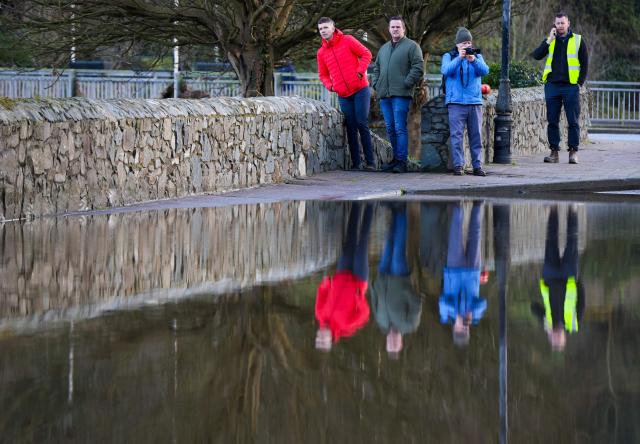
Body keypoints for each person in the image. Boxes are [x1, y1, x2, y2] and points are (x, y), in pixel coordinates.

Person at [317, 17, 375, 171]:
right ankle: (356, 163)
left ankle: (371, 163)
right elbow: (322, 75)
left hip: (361, 89)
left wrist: (360, 72)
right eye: (320, 29)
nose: (323, 31)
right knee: (350, 126)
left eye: (325, 27)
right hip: (343, 94)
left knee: (361, 122)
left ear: (333, 27)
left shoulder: (347, 40)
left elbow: (367, 54)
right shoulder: (321, 52)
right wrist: (331, 86)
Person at [531, 12, 589, 165]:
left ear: (568, 23)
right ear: (554, 25)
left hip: (571, 86)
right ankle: (554, 152)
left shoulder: (578, 40)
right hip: (552, 86)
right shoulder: (550, 41)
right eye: (558, 23)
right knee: (552, 121)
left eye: (563, 23)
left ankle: (573, 152)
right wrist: (549, 40)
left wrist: (579, 83)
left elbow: (585, 63)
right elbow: (536, 55)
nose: (560, 26)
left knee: (573, 121)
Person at [315, 202, 373, 351]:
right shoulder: (346, 327)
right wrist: (359, 298)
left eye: (318, 339)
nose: (321, 337)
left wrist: (327, 283)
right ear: (331, 340)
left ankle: (357, 204)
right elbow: (364, 314)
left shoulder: (320, 314)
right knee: (362, 245)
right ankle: (371, 205)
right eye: (323, 340)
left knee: (350, 239)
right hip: (359, 281)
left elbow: (321, 293)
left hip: (342, 275)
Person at [370, 16, 424, 174]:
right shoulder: (384, 48)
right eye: (392, 27)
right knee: (390, 128)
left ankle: (402, 161)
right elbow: (376, 68)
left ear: (403, 29)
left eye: (398, 27)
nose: (395, 29)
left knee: (400, 127)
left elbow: (418, 67)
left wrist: (406, 83)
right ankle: (395, 160)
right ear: (389, 29)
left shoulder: (412, 46)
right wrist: (376, 84)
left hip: (401, 94)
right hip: (384, 94)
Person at [371, 203, 422, 359]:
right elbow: (416, 304)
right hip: (400, 278)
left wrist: (374, 287)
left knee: (389, 242)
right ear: (401, 343)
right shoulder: (410, 325)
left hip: (383, 276)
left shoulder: (382, 324)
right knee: (398, 246)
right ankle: (401, 211)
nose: (392, 341)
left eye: (389, 344)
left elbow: (375, 303)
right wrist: (406, 290)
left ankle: (394, 211)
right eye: (395, 344)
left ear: (386, 341)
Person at [531, 205, 585, 351]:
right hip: (568, 277)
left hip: (550, 277)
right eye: (558, 338)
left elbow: (534, 307)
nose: (555, 336)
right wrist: (578, 281)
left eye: (552, 338)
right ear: (564, 337)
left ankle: (552, 210)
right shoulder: (574, 324)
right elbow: (581, 302)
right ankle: (572, 211)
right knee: (572, 240)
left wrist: (544, 322)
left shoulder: (547, 324)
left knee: (550, 241)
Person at [440, 27, 490, 176]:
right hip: (455, 102)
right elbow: (446, 71)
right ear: (457, 44)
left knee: (476, 136)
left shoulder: (477, 56)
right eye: (463, 43)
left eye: (468, 42)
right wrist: (459, 58)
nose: (466, 46)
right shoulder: (449, 56)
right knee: (457, 136)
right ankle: (458, 166)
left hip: (474, 102)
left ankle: (477, 166)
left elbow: (485, 71)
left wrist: (473, 60)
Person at [439, 201, 487, 346]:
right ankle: (478, 206)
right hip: (472, 272)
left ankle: (457, 207)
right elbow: (483, 302)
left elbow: (442, 301)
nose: (464, 327)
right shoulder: (475, 317)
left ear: (454, 328)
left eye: (460, 329)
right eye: (466, 330)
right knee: (476, 235)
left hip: (454, 271)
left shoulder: (446, 315)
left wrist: (457, 314)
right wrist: (471, 312)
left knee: (456, 235)